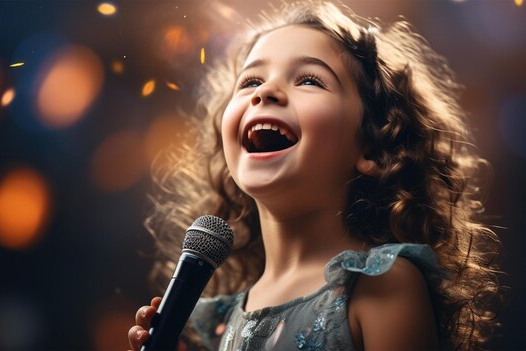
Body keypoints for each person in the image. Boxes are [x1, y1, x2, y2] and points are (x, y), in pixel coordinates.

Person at [128, 1, 501, 350]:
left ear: (372, 145)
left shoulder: (382, 284)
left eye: (309, 80)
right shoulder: (225, 320)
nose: (266, 92)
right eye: (250, 82)